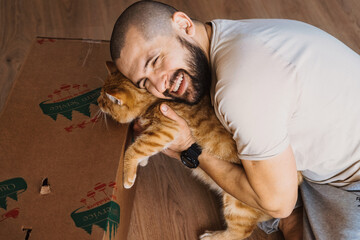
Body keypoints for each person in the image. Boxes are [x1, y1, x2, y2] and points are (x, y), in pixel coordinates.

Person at [110, 1, 360, 239]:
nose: (159, 85)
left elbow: (280, 204)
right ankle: (298, 213)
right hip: (317, 162)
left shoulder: (239, 86)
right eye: (144, 83)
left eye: (155, 61)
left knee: (276, 204)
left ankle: (297, 215)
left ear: (184, 24)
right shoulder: (220, 37)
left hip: (351, 179)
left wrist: (189, 149)